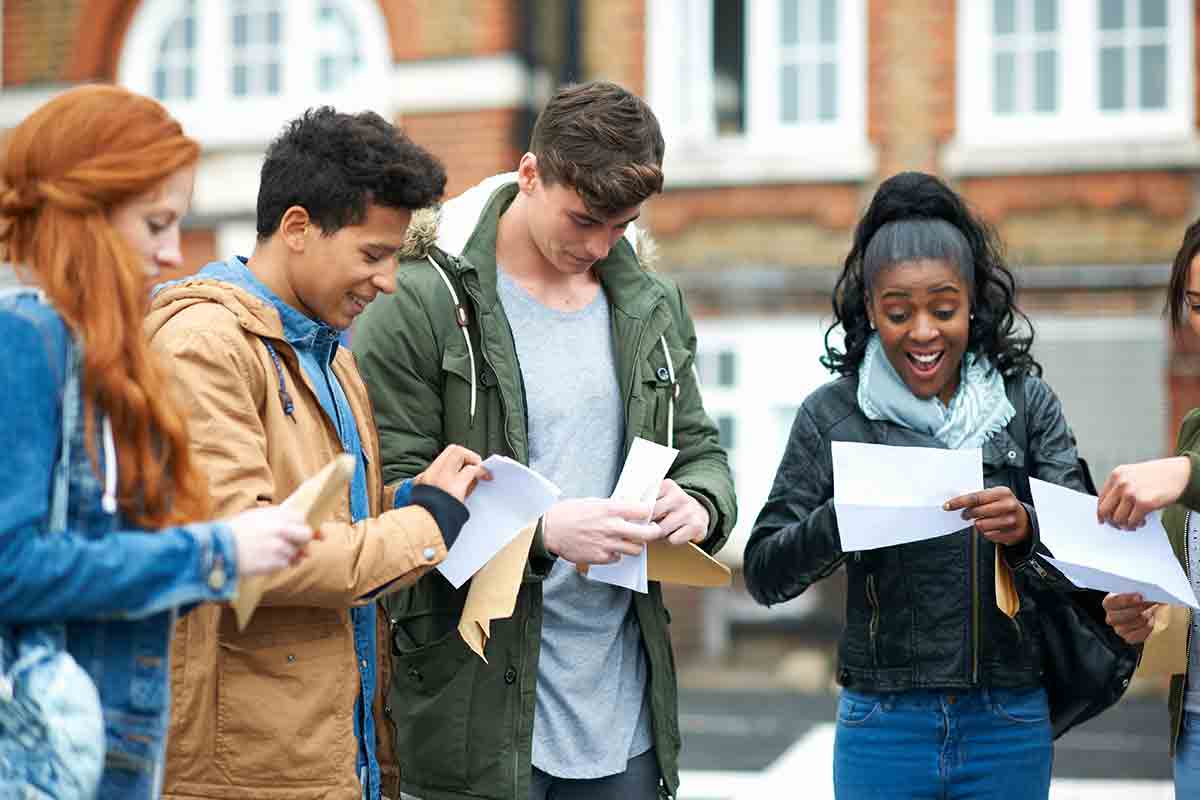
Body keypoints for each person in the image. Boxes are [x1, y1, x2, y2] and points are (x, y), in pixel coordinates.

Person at [352, 80, 737, 800]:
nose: (598, 246)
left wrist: (702, 507)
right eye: (584, 220)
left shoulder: (651, 302)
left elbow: (702, 452)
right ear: (529, 173)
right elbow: (385, 501)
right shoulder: (418, 301)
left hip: (626, 718)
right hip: (475, 710)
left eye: (621, 226)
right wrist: (543, 533)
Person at [145, 107, 485, 800]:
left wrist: (412, 503)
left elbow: (326, 521)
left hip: (331, 759)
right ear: (298, 228)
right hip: (246, 776)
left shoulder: (331, 355)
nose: (388, 281)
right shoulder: (203, 347)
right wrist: (426, 527)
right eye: (373, 255)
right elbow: (253, 553)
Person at [0, 85, 315, 800]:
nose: (173, 252)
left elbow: (110, 573)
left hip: (107, 750)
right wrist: (214, 554)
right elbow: (10, 566)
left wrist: (222, 555)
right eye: (156, 223)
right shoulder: (27, 339)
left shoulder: (96, 354)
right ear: (85, 216)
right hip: (48, 755)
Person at [744, 171, 1092, 799]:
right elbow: (766, 571)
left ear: (974, 305)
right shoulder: (833, 415)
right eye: (899, 313)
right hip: (883, 722)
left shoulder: (1026, 403)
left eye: (944, 309)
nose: (924, 333)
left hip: (1007, 716)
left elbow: (1092, 562)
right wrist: (839, 520)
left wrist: (1027, 530)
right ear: (870, 310)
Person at [1096, 218, 1200, 796]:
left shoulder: (1188, 459)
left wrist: (1183, 472)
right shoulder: (1195, 429)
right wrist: (1149, 617)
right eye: (1199, 303)